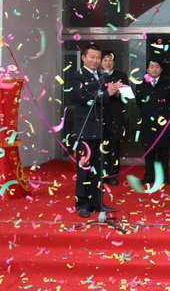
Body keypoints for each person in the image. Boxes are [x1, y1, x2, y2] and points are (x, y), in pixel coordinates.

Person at [70, 44, 121, 218]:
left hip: (100, 129)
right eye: (92, 57)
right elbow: (81, 97)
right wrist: (107, 94)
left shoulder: (101, 75)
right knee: (84, 167)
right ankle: (82, 203)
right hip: (85, 128)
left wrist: (113, 91)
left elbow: (104, 100)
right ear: (84, 58)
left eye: (98, 58)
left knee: (99, 168)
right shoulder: (77, 75)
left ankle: (97, 201)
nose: (95, 60)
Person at [135, 59, 170, 186]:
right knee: (149, 152)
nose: (154, 69)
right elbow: (139, 103)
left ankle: (164, 177)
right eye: (151, 67)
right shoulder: (141, 84)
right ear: (147, 69)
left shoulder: (168, 83)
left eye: (157, 67)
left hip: (163, 123)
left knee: (163, 152)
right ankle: (149, 176)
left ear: (161, 69)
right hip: (147, 122)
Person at [100, 51, 128, 186]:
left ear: (114, 62)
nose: (108, 63)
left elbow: (127, 96)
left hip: (116, 115)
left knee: (114, 146)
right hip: (100, 116)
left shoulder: (121, 76)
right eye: (105, 60)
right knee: (101, 147)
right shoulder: (97, 76)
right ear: (101, 62)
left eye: (110, 60)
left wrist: (117, 92)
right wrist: (108, 92)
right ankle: (102, 174)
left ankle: (113, 175)